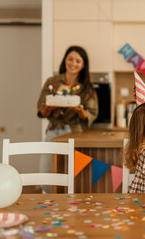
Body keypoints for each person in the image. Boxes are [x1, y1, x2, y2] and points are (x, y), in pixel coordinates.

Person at [37, 46, 98, 192]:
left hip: (74, 132)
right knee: (45, 174)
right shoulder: (52, 82)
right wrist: (48, 108)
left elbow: (91, 113)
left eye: (78, 61)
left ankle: (68, 205)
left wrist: (81, 112)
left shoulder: (86, 88)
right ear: (65, 60)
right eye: (70, 59)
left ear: (83, 65)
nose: (73, 63)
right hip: (53, 130)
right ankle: (51, 201)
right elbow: (41, 110)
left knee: (72, 174)